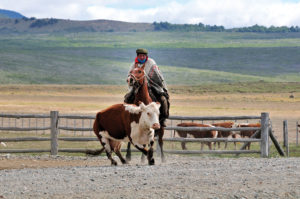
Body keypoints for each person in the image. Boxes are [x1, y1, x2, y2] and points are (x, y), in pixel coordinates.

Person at [124, 48, 170, 126]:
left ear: (146, 56)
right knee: (127, 99)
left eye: (144, 56)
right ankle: (127, 119)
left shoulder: (151, 62)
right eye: (140, 56)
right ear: (137, 56)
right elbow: (130, 76)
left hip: (153, 86)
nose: (142, 57)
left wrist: (161, 86)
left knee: (163, 99)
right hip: (137, 87)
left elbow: (158, 76)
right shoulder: (133, 65)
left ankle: (163, 119)